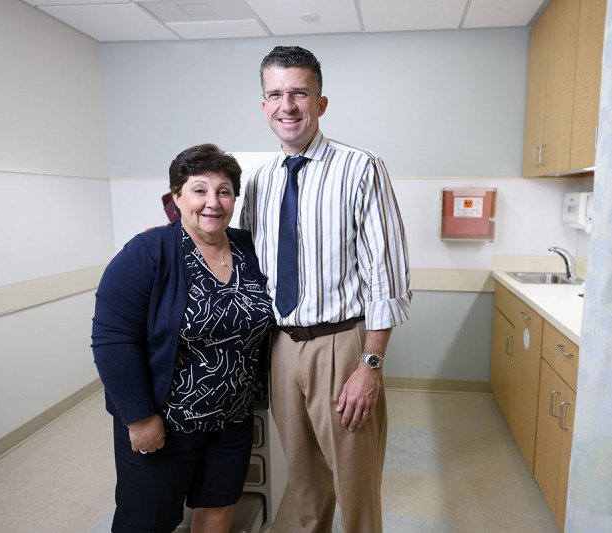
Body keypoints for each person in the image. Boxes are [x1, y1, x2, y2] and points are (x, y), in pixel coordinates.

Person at [240, 46, 412, 533]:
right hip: (281, 347)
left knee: (355, 486)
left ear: (321, 102)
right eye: (275, 94)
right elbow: (252, 268)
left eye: (299, 92)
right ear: (263, 105)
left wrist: (370, 365)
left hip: (342, 345)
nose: (287, 105)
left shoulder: (361, 168)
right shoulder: (259, 182)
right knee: (304, 485)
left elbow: (387, 278)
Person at [91, 144, 274, 533]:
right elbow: (113, 340)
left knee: (218, 509)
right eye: (199, 190)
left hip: (232, 420)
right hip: (166, 422)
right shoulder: (148, 251)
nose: (213, 202)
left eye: (224, 191)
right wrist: (140, 418)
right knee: (147, 522)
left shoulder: (248, 248)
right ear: (176, 196)